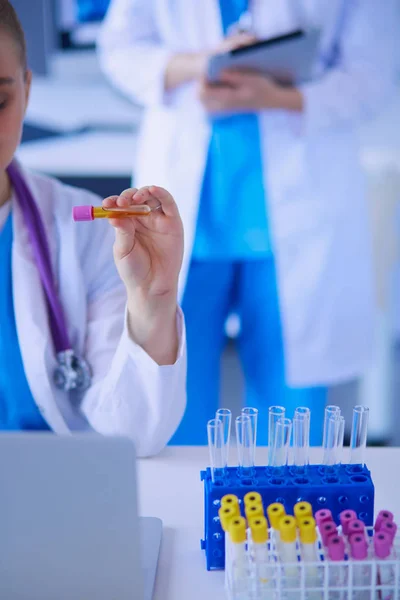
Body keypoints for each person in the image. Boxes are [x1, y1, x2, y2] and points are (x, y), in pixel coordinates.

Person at [99, 0, 397, 445]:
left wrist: (279, 97)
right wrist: (195, 65)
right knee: (172, 396)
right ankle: (181, 512)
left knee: (290, 417)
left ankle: (291, 512)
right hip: (190, 213)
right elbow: (120, 48)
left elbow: (374, 73)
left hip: (300, 209)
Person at [0, 0, 186, 456]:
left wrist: (152, 301)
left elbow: (132, 436)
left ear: (26, 89)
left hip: (49, 506)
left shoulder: (81, 231)